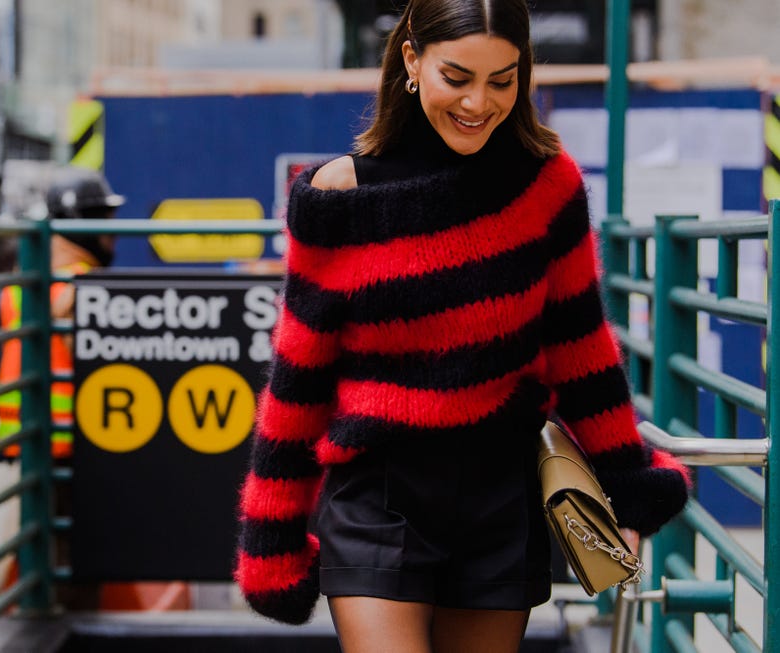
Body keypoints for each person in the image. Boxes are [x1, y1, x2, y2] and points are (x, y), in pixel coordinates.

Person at [233, 1, 691, 651]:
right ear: (412, 60)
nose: (480, 101)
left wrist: (629, 480)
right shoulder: (339, 195)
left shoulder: (546, 184)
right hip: (376, 494)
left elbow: (580, 351)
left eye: (502, 80)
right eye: (459, 77)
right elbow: (300, 375)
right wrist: (270, 534)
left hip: (500, 496)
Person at [0, 166, 122, 460]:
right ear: (81, 223)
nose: (112, 233)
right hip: (64, 444)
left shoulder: (26, 277)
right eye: (104, 220)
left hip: (19, 437)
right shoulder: (81, 285)